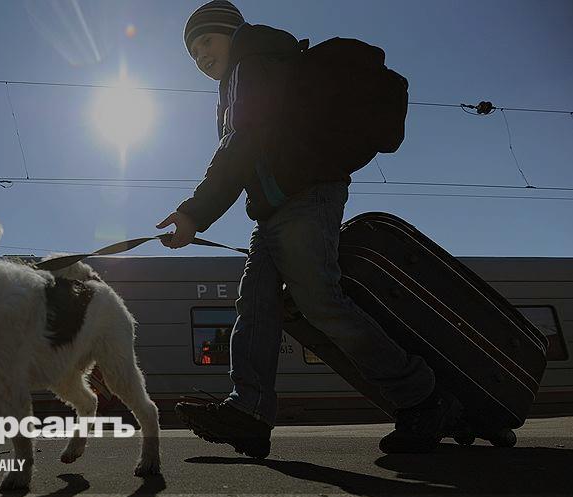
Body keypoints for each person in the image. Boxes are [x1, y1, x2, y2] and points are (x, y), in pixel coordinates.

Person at [158, 0, 451, 458]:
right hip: (274, 210)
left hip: (306, 196)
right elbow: (247, 150)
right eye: (193, 53)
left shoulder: (252, 62)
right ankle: (250, 412)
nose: (201, 56)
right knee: (256, 305)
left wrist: (195, 213)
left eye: (206, 42)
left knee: (320, 302)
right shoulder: (245, 73)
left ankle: (421, 397)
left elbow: (242, 143)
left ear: (232, 33)